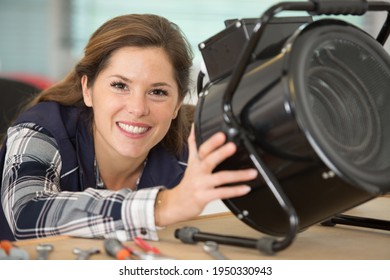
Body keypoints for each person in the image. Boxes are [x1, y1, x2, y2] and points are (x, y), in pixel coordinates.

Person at [0, 14, 257, 241]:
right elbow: (27, 212)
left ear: (178, 103)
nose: (137, 108)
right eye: (120, 85)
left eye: (157, 91)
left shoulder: (192, 139)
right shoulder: (39, 130)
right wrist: (162, 206)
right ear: (87, 89)